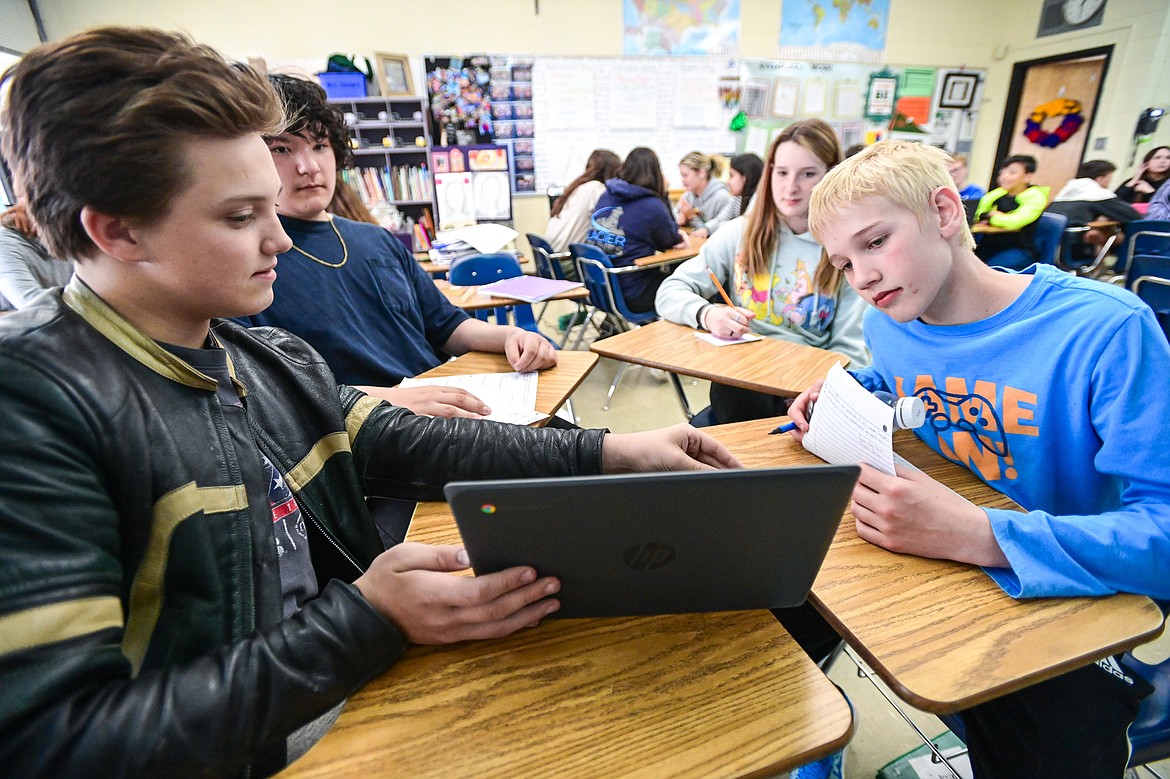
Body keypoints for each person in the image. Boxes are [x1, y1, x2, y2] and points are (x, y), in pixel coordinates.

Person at [0, 27, 742, 777]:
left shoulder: (259, 354)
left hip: (324, 678)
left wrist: (613, 450)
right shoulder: (33, 407)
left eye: (270, 207)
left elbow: (413, 442)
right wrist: (368, 617)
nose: (279, 241)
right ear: (117, 229)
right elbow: (57, 741)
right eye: (237, 217)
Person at [798, 139, 1170, 778]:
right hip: (942, 576)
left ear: (944, 212)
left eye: (875, 242)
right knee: (786, 608)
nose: (861, 278)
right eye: (842, 262)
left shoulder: (1108, 330)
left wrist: (982, 535)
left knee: (1053, 743)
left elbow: (1162, 536)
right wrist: (861, 388)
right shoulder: (894, 320)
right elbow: (921, 381)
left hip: (1067, 604)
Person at [237, 74, 555, 420]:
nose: (309, 167)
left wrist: (511, 336)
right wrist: (386, 400)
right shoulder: (255, 260)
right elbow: (264, 387)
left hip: (442, 405)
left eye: (320, 146)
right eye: (282, 149)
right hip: (369, 427)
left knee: (566, 436)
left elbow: (447, 326)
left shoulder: (376, 239)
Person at [655, 118, 869, 425]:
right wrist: (708, 314)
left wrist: (813, 391)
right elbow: (671, 290)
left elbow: (853, 355)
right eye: (781, 173)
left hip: (807, 395)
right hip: (742, 381)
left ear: (832, 176)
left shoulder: (847, 249)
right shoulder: (741, 232)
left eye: (808, 174)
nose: (790, 187)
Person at [584, 146, 688, 313]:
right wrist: (664, 194)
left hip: (600, 288)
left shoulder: (606, 195)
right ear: (656, 173)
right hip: (632, 293)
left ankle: (610, 330)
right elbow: (670, 241)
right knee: (685, 283)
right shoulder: (652, 205)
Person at [1047, 159, 1142, 264]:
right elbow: (1134, 216)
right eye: (1109, 179)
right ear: (1100, 179)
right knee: (1119, 236)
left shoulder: (1062, 194)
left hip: (1049, 249)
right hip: (1076, 250)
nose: (1109, 183)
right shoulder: (1098, 194)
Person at [545, 149, 621, 265]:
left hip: (551, 257)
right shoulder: (597, 189)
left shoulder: (578, 186)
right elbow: (609, 219)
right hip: (565, 262)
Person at [972, 154, 1049, 266]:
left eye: (1012, 172)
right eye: (1002, 172)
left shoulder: (1036, 197)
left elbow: (1014, 222)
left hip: (1018, 249)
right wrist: (989, 215)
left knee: (990, 270)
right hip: (989, 245)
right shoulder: (998, 193)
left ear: (1028, 177)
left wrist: (991, 218)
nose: (1004, 176)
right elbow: (978, 214)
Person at [0, 202, 74, 310]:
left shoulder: (69, 236)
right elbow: (32, 304)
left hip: (62, 315)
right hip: (25, 320)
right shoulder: (5, 243)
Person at [701, 152, 764, 239]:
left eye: (732, 176)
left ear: (745, 177)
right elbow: (720, 220)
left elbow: (743, 230)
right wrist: (706, 229)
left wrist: (723, 225)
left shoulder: (760, 200)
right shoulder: (737, 198)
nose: (728, 182)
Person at [676, 150, 732, 238]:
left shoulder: (722, 197)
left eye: (685, 175)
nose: (682, 180)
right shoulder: (688, 194)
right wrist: (681, 219)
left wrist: (692, 217)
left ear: (702, 173)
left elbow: (717, 232)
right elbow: (675, 214)